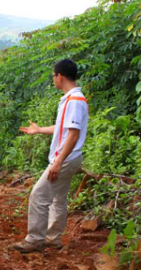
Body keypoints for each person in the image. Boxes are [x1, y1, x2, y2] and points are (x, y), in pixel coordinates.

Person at [10, 59, 89, 253]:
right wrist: (38, 130)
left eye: (53, 76)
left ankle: (35, 239)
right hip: (70, 158)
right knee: (58, 198)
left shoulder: (75, 101)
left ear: (60, 76)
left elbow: (73, 134)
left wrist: (58, 162)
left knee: (38, 195)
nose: (53, 80)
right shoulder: (71, 99)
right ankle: (53, 239)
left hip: (66, 159)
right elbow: (64, 128)